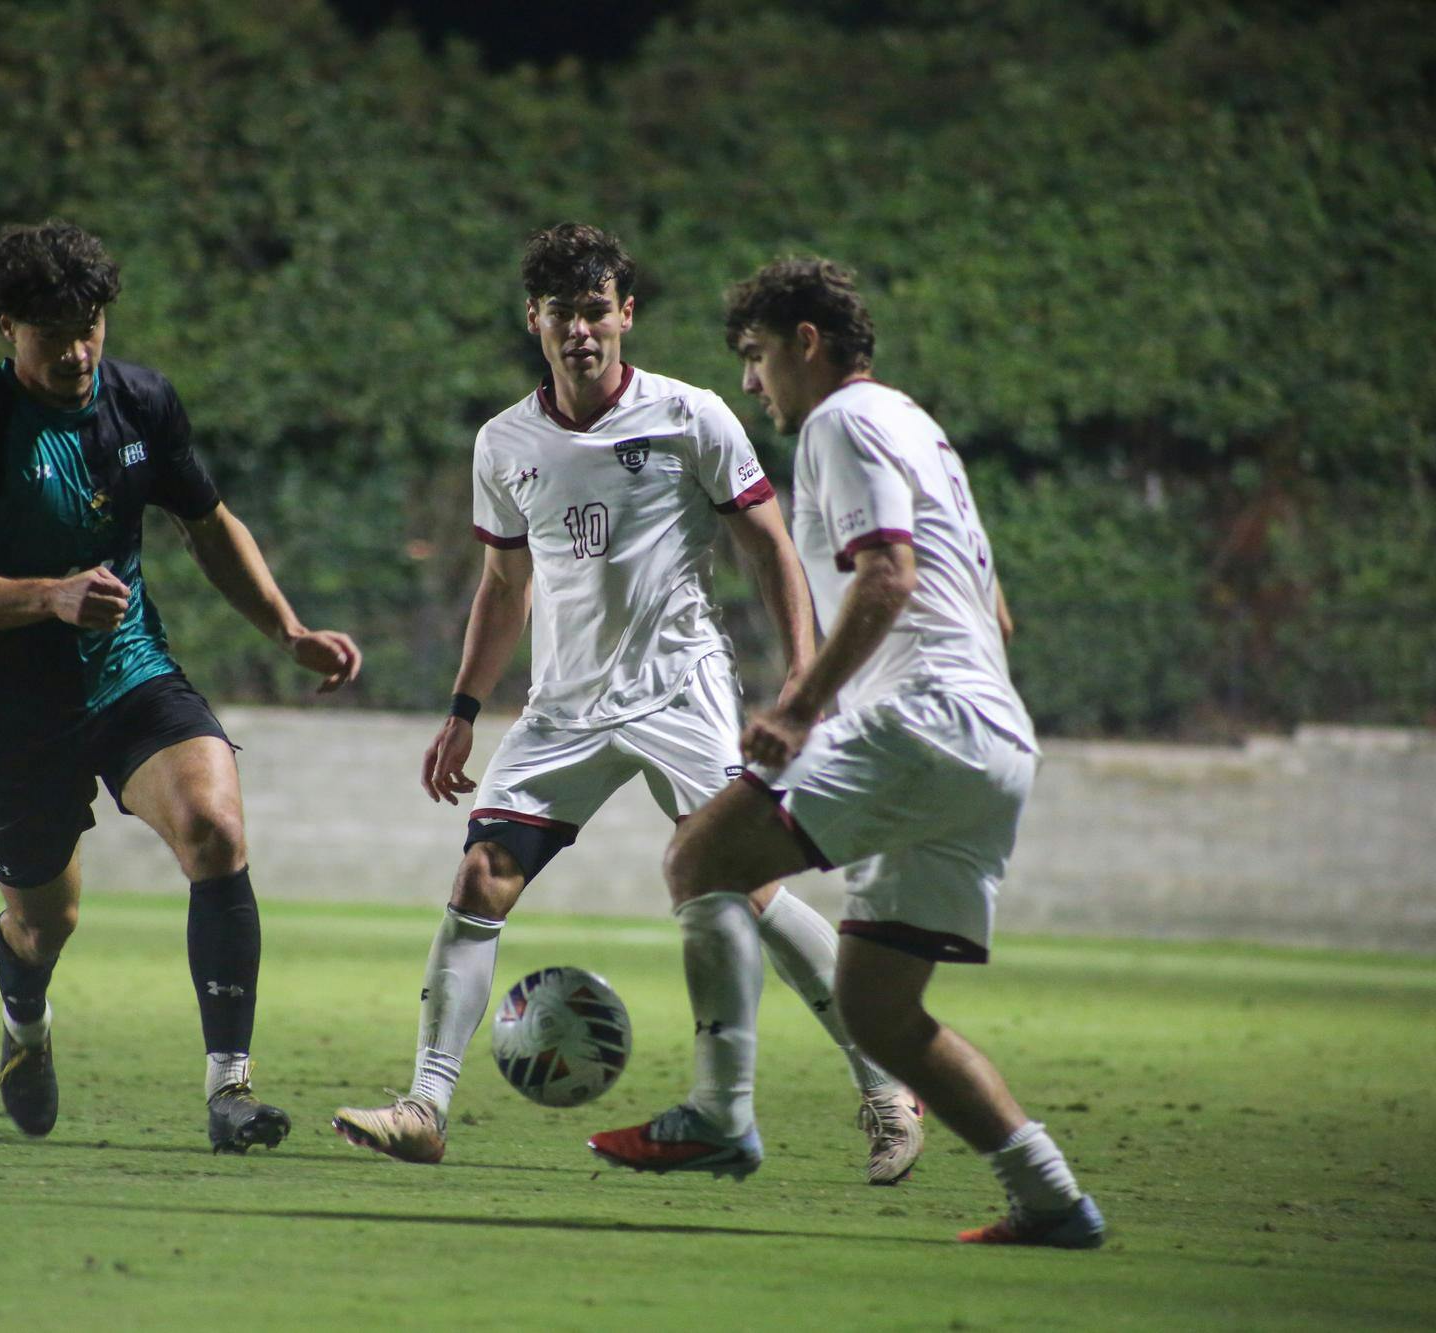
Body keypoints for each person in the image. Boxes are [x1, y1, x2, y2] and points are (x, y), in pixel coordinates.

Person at [332, 224, 923, 1180]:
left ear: (627, 314)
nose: (581, 330)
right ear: (535, 321)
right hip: (563, 706)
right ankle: (426, 1106)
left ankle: (886, 1088)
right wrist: (463, 707)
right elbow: (502, 584)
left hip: (678, 689)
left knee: (753, 890)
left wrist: (799, 677)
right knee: (481, 874)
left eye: (597, 309)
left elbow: (768, 548)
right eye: (562, 312)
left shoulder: (690, 417)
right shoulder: (504, 442)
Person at [588, 257, 1104, 1248]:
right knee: (875, 1007)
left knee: (701, 856)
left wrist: (799, 706)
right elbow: (987, 606)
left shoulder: (840, 421)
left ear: (804, 342)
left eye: (754, 356)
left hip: (921, 722)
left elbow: (886, 577)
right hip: (992, 744)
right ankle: (1049, 1198)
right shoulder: (918, 427)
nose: (750, 382)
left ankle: (718, 1113)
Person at [0, 220, 361, 1152]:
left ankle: (230, 1089)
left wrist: (288, 628)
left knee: (216, 826)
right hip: (19, 717)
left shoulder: (142, 402)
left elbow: (209, 522)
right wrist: (49, 593)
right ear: (6, 325)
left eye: (91, 325)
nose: (78, 350)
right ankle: (24, 1017)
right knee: (46, 923)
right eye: (53, 332)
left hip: (130, 676)